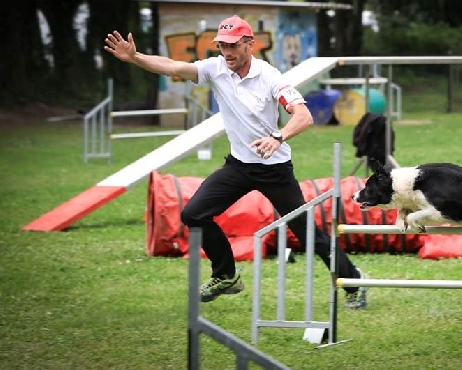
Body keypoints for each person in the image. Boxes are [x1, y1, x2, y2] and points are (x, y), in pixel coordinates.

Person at [103, 15, 368, 309]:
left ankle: (353, 282)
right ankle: (226, 274)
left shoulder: (271, 77)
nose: (226, 52)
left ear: (249, 45)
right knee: (194, 213)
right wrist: (135, 56)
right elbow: (174, 66)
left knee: (308, 236)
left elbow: (303, 116)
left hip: (274, 170)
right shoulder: (215, 68)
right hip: (239, 166)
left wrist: (278, 137)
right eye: (221, 46)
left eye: (232, 46)